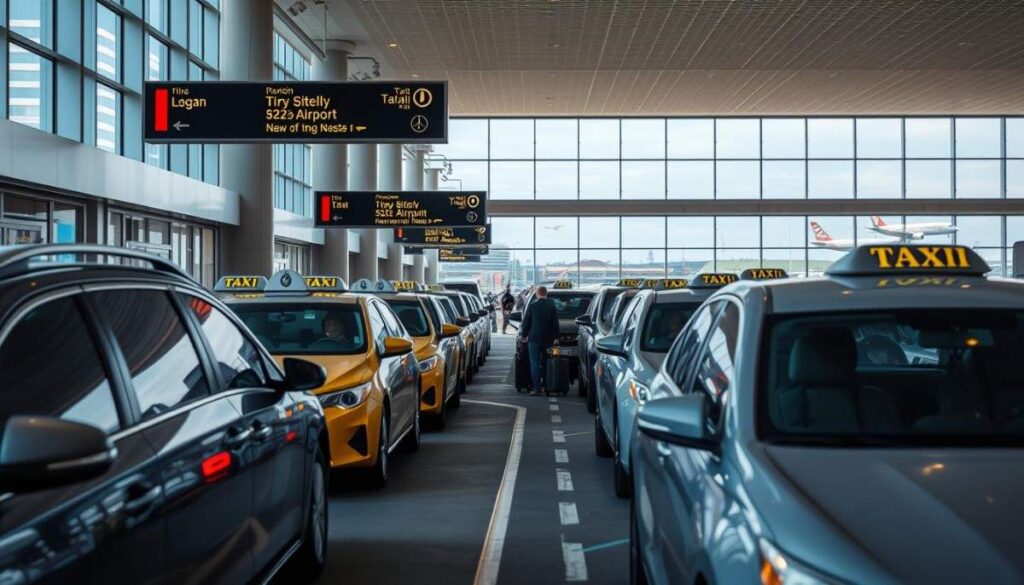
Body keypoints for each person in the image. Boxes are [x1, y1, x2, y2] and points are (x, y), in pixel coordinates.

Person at [520, 286, 560, 395]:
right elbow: (555, 325)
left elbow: (526, 323)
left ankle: (537, 388)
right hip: (548, 340)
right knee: (547, 362)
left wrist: (524, 335)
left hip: (534, 339)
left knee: (534, 363)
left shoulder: (533, 306)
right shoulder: (552, 307)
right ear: (546, 294)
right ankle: (547, 387)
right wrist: (556, 338)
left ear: (537, 294)